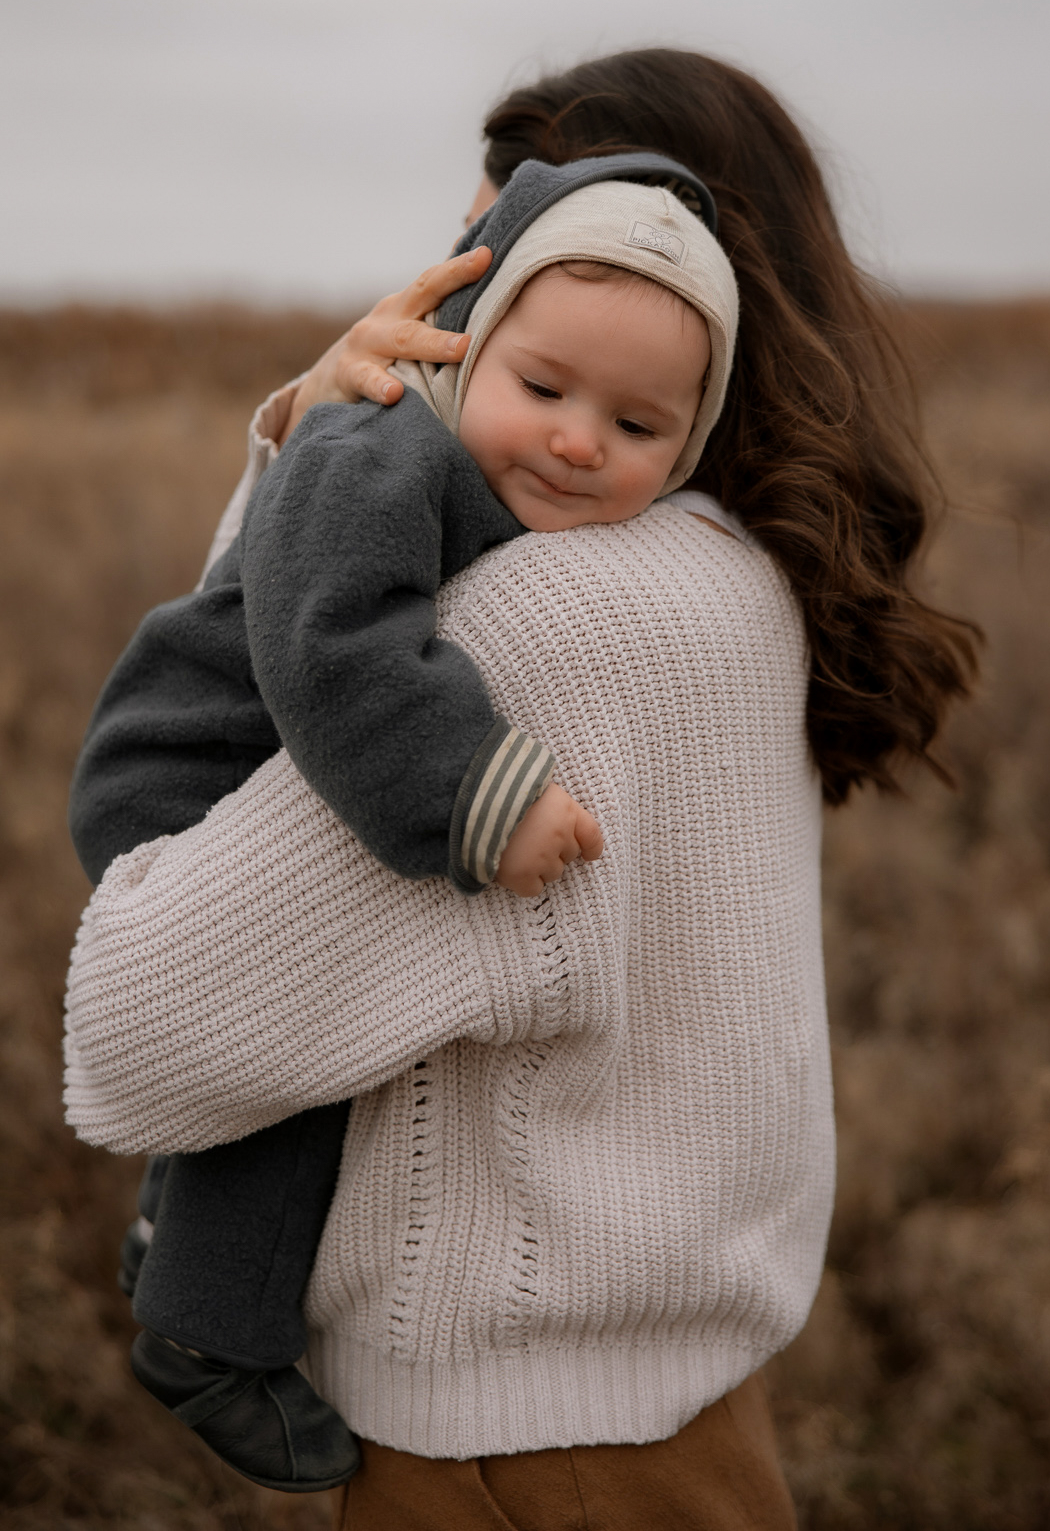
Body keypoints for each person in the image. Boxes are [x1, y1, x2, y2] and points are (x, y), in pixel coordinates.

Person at [66, 49, 978, 1528]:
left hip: (513, 1459)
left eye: (473, 253)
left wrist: (328, 464)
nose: (428, 301)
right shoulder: (723, 572)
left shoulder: (545, 620)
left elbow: (146, 1013)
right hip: (655, 1417)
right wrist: (315, 438)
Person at [68, 156, 738, 1490]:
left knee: (308, 1024)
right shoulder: (376, 444)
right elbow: (336, 648)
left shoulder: (524, 484)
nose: (576, 441)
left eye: (635, 426)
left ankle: (168, 1235)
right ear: (465, 347)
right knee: (304, 1038)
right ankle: (206, 1333)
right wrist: (480, 794)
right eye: (542, 390)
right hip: (188, 760)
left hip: (277, 740)